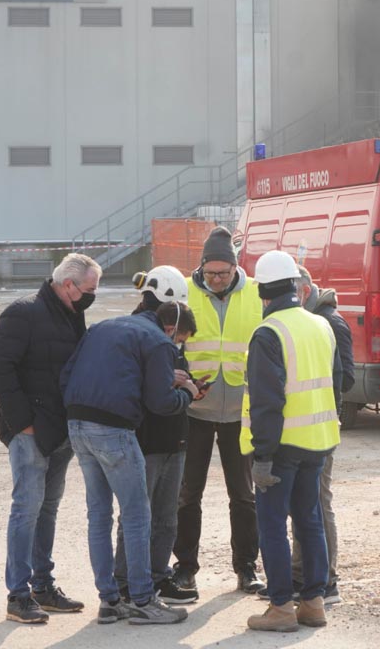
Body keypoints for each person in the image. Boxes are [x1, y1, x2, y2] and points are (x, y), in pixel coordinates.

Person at [60, 301, 202, 626]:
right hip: (114, 430)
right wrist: (188, 394)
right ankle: (141, 599)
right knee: (138, 516)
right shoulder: (159, 342)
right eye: (180, 339)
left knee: (99, 515)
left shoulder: (103, 327)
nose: (178, 345)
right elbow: (161, 402)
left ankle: (110, 601)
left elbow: (67, 375)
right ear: (171, 328)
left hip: (77, 424)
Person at [0, 252, 99, 624]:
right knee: (26, 509)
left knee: (47, 509)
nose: (91, 297)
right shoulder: (23, 312)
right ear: (68, 285)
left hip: (61, 430)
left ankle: (42, 587)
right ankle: (18, 595)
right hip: (32, 431)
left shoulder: (71, 313)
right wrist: (24, 424)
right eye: (89, 290)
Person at [242, 250, 341, 632]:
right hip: (318, 441)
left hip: (282, 446)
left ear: (263, 291)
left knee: (272, 526)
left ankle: (281, 606)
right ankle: (313, 603)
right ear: (297, 287)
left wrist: (262, 455)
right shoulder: (320, 325)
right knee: (309, 520)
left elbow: (267, 402)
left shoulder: (268, 333)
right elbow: (334, 382)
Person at [172, 226, 267, 595]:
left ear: (235, 268)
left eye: (222, 274)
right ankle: (185, 568)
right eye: (209, 273)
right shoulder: (184, 290)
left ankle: (246, 568)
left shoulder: (257, 293)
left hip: (240, 411)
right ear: (200, 268)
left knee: (243, 494)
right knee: (187, 493)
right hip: (194, 409)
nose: (214, 280)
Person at [112, 267, 199, 606]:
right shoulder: (136, 335)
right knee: (136, 515)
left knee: (165, 516)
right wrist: (180, 389)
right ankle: (125, 583)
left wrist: (187, 384)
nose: (177, 340)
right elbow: (142, 390)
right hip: (145, 441)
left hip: (174, 438)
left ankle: (157, 577)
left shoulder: (164, 339)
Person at [288, 266, 354, 606]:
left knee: (317, 502)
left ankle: (327, 579)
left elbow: (346, 378)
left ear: (305, 290)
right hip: (306, 426)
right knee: (304, 503)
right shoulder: (310, 319)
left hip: (321, 428)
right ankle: (302, 574)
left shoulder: (329, 322)